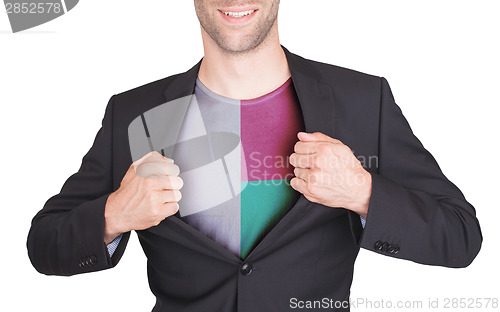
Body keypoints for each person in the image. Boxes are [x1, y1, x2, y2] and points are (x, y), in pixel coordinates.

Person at [27, 1, 482, 311]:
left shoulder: (362, 101)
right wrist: (114, 214)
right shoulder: (135, 113)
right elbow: (44, 245)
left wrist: (363, 192)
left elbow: (460, 236)